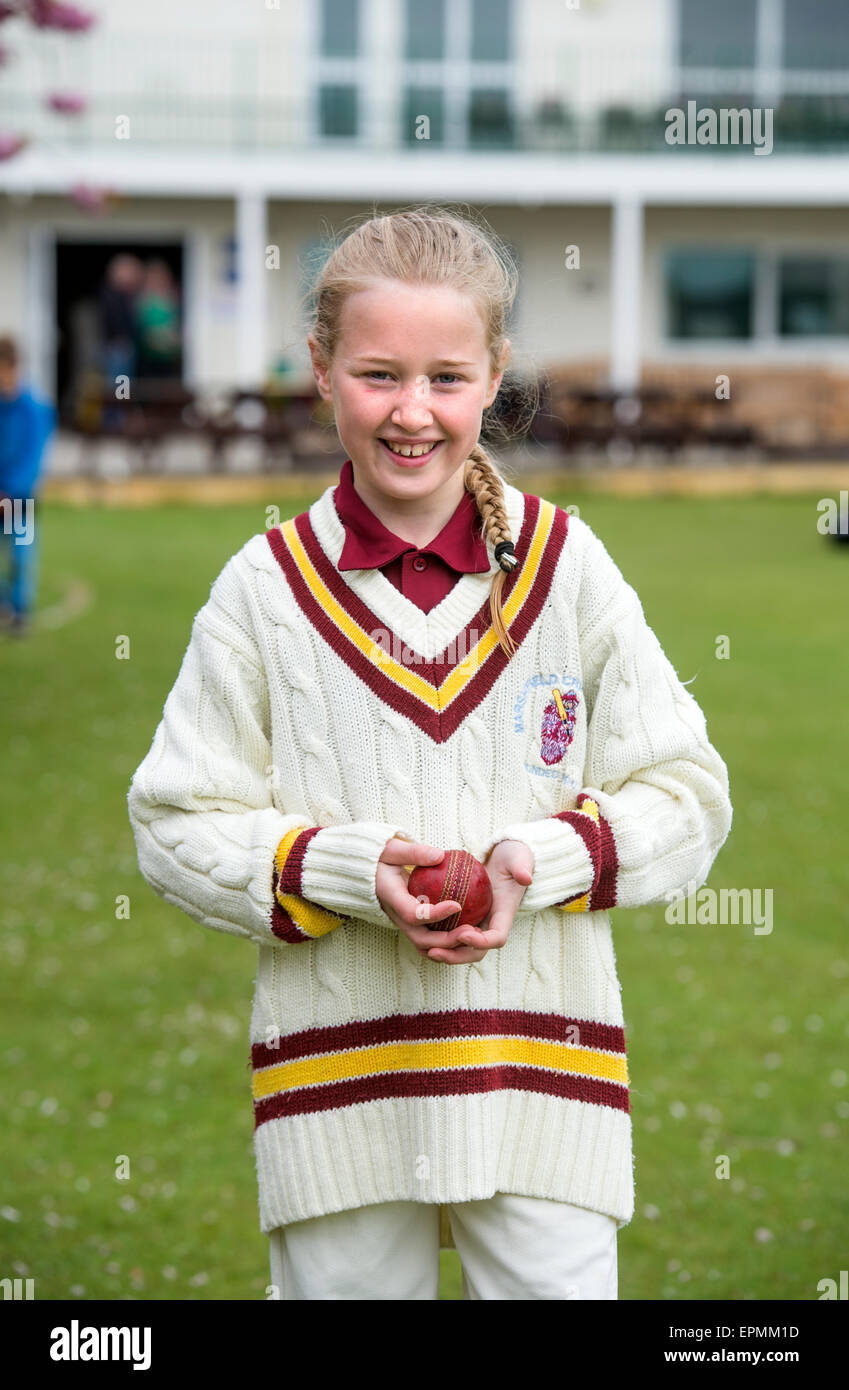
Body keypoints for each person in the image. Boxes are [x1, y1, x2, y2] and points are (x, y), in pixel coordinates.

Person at [127, 207, 733, 1300]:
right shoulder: (262, 589)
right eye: (377, 375)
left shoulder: (566, 565)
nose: (413, 413)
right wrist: (342, 872)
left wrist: (537, 864)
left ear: (495, 373)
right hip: (341, 1083)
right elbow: (173, 819)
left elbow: (688, 793)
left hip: (540, 1075)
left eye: (448, 377)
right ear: (320, 371)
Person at [0, 335, 57, 635]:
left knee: (21, 556)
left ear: (12, 367)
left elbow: (32, 459)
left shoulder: (34, 409)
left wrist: (9, 490)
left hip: (20, 499)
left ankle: (21, 613)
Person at [97, 254, 143, 429]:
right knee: (118, 384)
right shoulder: (112, 295)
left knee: (121, 384)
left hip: (121, 348)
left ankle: (118, 416)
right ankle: (114, 419)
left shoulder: (124, 295)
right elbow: (114, 322)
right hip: (117, 348)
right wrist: (121, 340)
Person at [134, 258, 181, 381]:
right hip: (148, 352)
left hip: (168, 352)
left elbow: (177, 323)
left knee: (166, 382)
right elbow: (138, 324)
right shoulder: (142, 299)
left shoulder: (172, 298)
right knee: (148, 383)